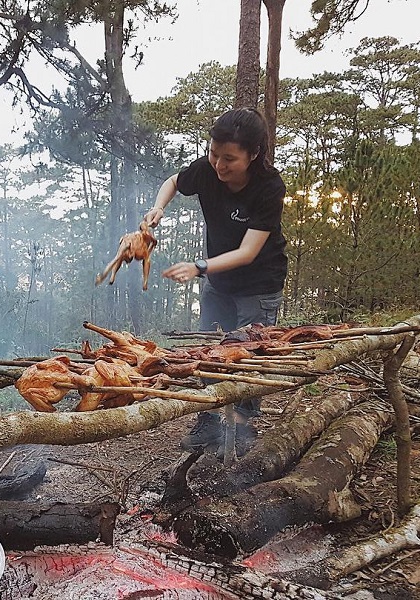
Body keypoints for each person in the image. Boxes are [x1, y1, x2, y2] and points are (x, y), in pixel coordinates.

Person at [143, 107, 287, 454]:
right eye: (213, 154)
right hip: (218, 283)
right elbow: (174, 182)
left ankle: (240, 429)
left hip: (258, 284)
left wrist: (198, 266)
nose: (219, 165)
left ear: (253, 155)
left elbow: (249, 251)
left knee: (251, 355)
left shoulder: (269, 187)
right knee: (208, 350)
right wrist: (159, 207)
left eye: (229, 159)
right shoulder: (207, 170)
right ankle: (207, 420)